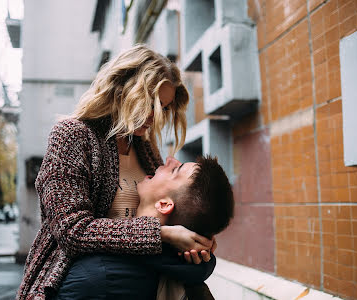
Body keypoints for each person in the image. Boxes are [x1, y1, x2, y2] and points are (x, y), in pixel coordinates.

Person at [17, 44, 216, 300]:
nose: (156, 117)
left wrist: (196, 241)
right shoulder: (72, 136)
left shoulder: (145, 148)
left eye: (164, 108)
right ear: (122, 89)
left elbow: (166, 209)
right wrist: (162, 234)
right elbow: (72, 232)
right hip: (78, 284)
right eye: (151, 103)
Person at [54, 155, 235, 300]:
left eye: (175, 170)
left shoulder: (97, 277)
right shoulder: (186, 270)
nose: (169, 159)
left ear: (164, 204)